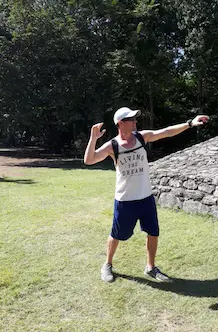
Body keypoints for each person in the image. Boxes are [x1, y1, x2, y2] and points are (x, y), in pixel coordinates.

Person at [83, 107, 209, 282]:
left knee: (153, 232)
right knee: (117, 234)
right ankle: (107, 264)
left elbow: (166, 132)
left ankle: (151, 267)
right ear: (120, 123)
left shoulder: (142, 137)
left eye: (135, 119)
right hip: (125, 200)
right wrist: (93, 139)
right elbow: (89, 160)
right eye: (131, 119)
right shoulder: (112, 146)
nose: (135, 122)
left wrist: (190, 123)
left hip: (145, 198)